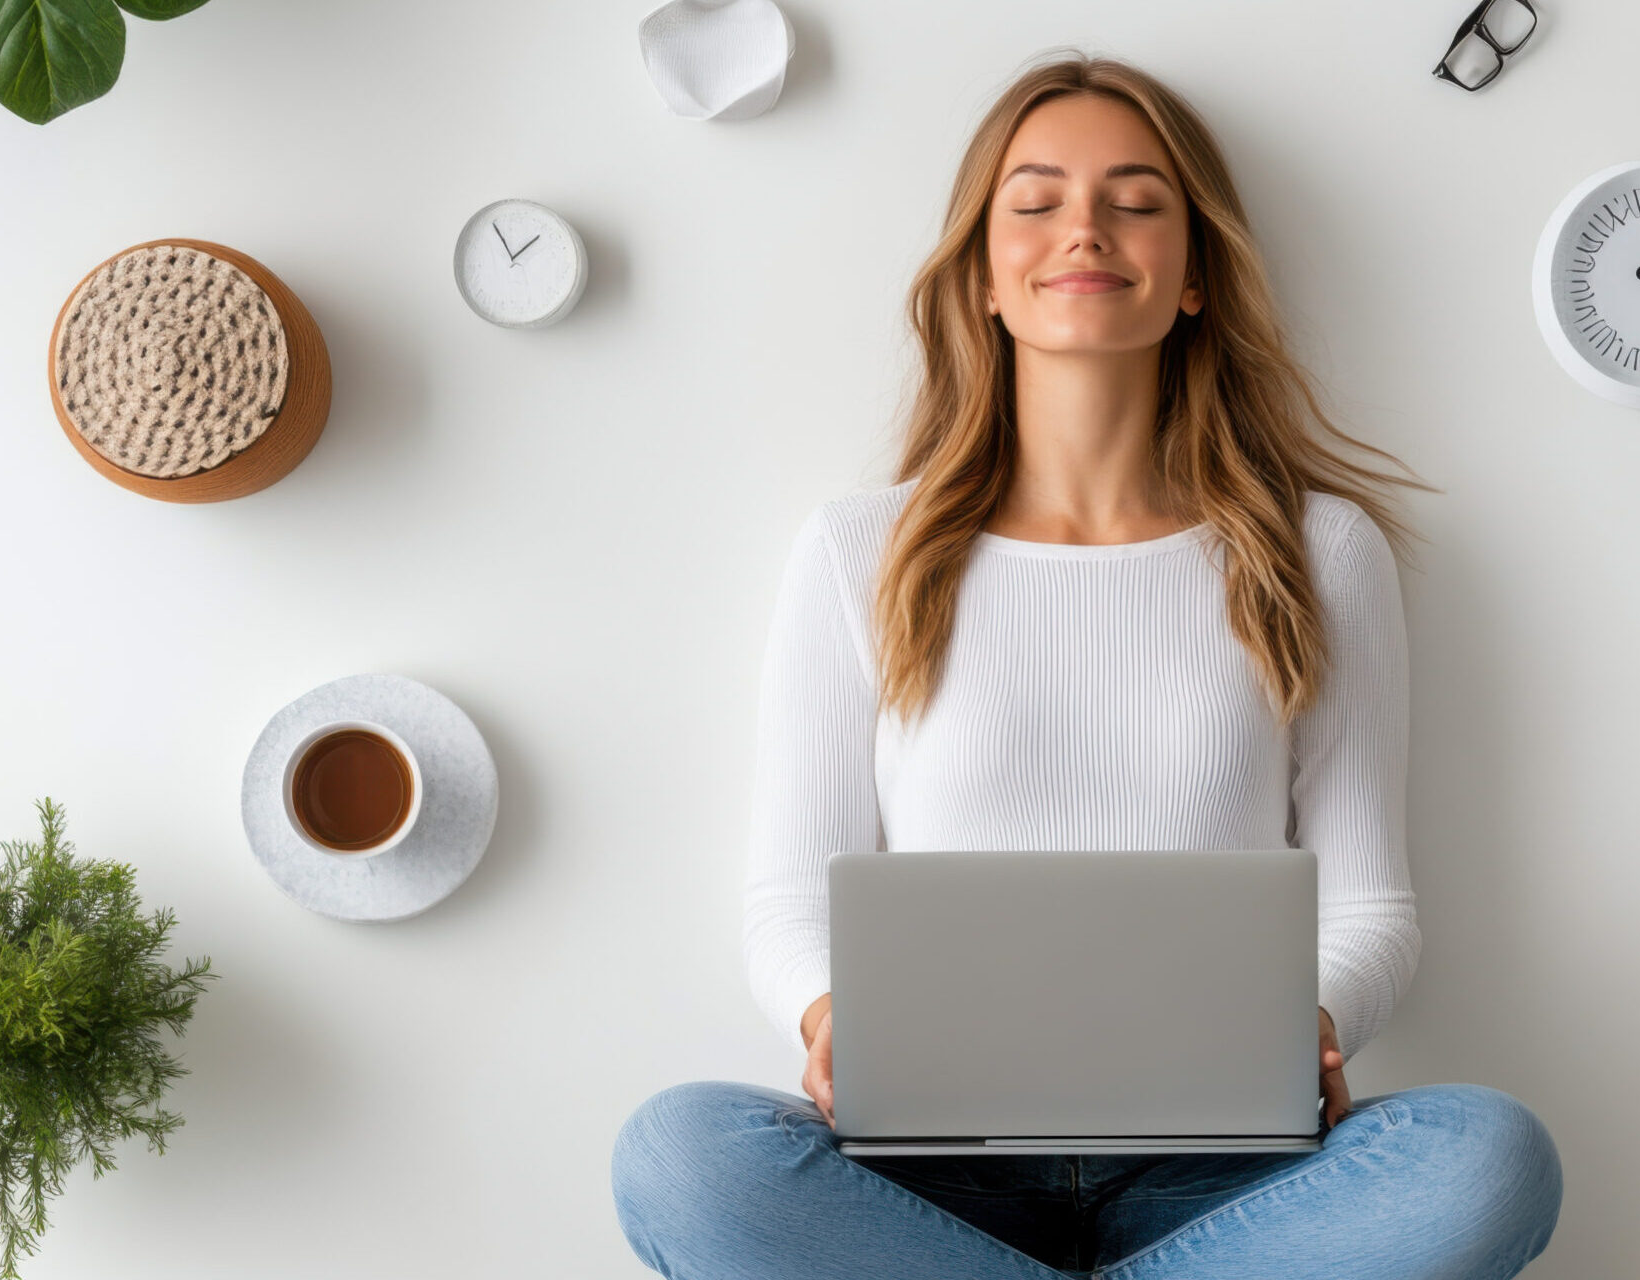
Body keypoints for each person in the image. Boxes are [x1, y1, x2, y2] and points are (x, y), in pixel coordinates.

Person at [611, 52, 1562, 1280]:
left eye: (1136, 198)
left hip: (1230, 1174)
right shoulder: (862, 552)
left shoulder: (1319, 550)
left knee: (1490, 1154)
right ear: (985, 277)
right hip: (927, 1173)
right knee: (679, 1153)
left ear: (1195, 275)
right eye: (1037, 198)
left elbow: (1371, 905)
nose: (1085, 230)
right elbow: (789, 899)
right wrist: (830, 1012)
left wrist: (1309, 1021)